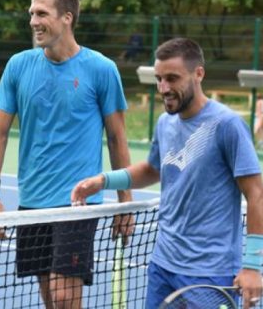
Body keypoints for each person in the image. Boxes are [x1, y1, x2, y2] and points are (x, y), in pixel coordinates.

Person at [71, 37, 263, 309]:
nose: (163, 88)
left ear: (199, 74)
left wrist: (254, 266)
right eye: (159, 79)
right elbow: (152, 169)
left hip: (209, 272)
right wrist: (103, 181)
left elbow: (256, 195)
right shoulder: (165, 122)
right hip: (162, 266)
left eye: (172, 78)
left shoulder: (227, 125)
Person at [0, 0, 134, 309]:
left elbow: (117, 138)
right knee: (51, 297)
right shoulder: (18, 66)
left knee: (64, 296)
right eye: (31, 14)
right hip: (33, 200)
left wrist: (125, 202)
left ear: (67, 18)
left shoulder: (101, 69)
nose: (34, 21)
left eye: (41, 14)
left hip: (79, 202)